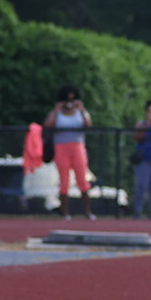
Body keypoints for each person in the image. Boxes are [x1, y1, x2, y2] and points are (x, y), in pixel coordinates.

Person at [44, 85, 94, 219]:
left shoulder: (80, 112)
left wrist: (82, 110)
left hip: (77, 146)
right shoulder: (57, 112)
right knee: (64, 180)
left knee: (82, 178)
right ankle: (65, 212)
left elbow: (88, 125)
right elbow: (48, 125)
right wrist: (56, 110)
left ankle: (87, 212)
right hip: (61, 147)